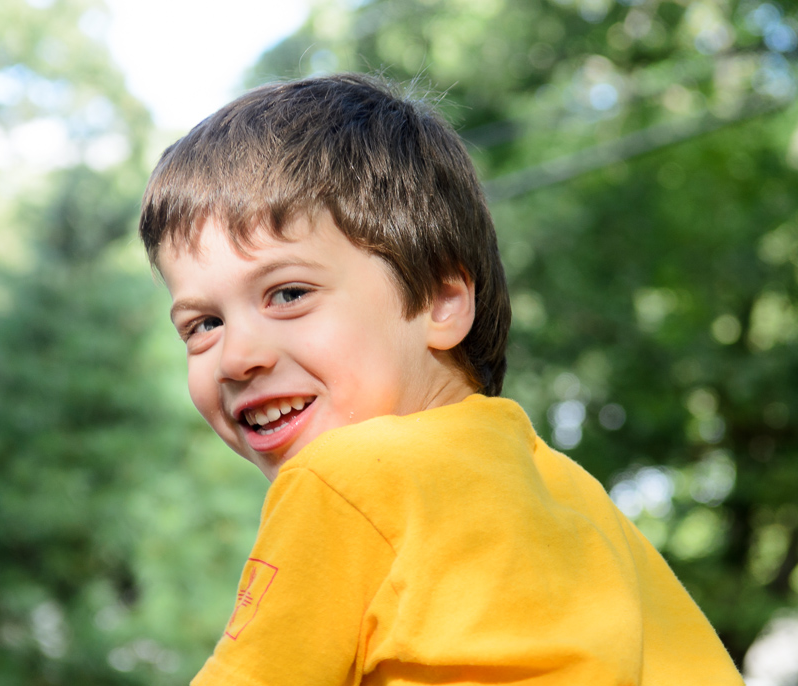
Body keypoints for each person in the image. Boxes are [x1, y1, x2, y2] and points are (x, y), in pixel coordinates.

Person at [138, 73, 744, 685]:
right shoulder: (579, 501)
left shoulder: (343, 478)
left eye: (289, 293)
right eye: (203, 325)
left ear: (439, 301)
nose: (236, 358)